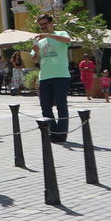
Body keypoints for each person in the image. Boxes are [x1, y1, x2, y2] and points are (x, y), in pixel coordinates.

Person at [31, 14, 73, 143]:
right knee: (45, 106)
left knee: (61, 105)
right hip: (44, 77)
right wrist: (36, 51)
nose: (43, 27)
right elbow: (34, 59)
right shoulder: (39, 40)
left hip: (61, 75)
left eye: (45, 24)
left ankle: (62, 134)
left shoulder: (61, 33)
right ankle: (53, 132)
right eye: (41, 25)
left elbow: (67, 40)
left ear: (51, 23)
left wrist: (48, 35)